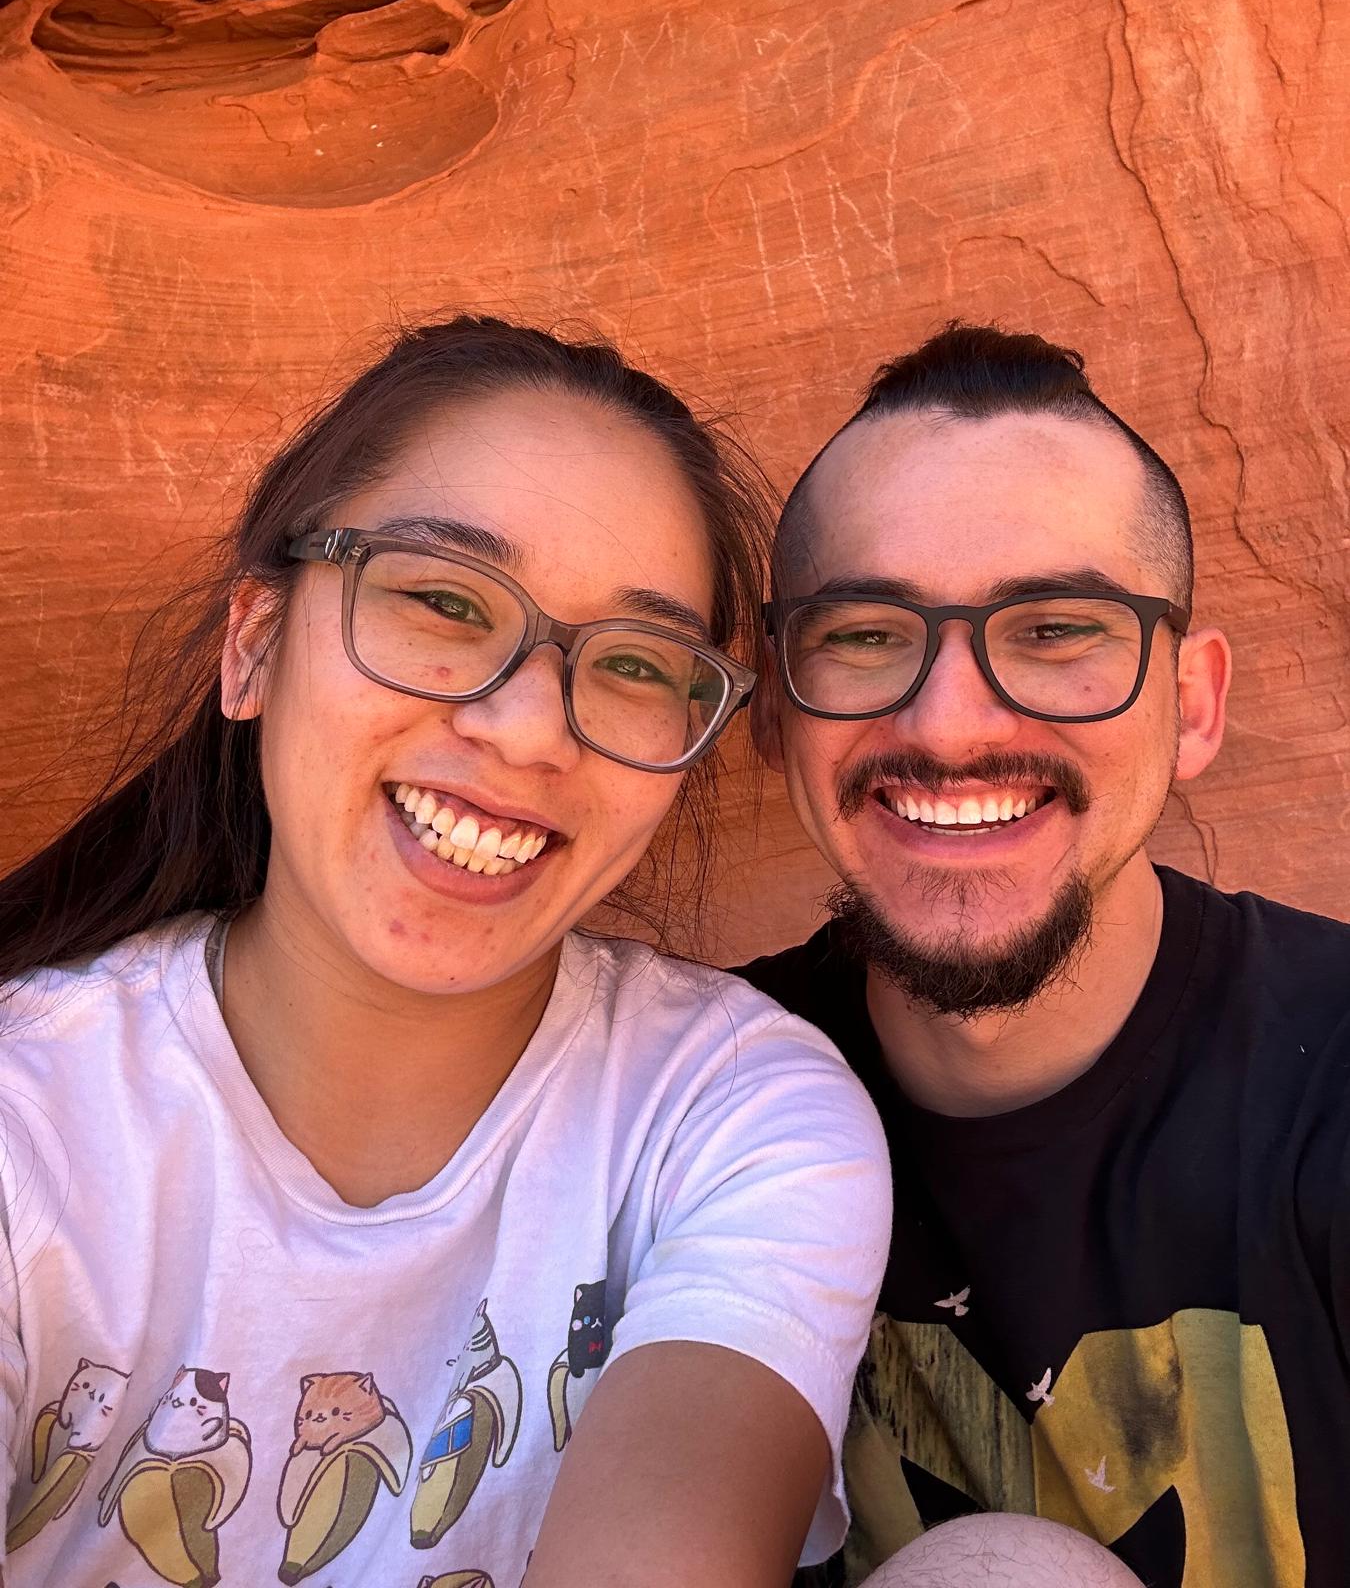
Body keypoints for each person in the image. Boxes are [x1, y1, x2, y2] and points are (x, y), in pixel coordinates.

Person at [0, 316, 892, 1588]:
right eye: (442, 600)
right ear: (254, 647)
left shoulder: (724, 1117)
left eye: (635, 664)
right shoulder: (32, 1121)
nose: (527, 728)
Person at [740, 321, 1350, 1588]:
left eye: (1058, 629)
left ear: (1192, 704)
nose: (950, 726)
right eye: (865, 635)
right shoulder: (690, 1107)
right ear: (777, 705)